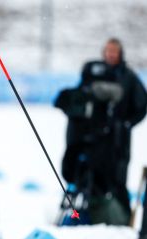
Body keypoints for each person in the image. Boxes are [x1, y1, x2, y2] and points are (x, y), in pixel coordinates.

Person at [55, 38, 147, 226]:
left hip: (118, 140)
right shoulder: (94, 73)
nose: (110, 55)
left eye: (114, 51)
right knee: (87, 175)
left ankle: (121, 218)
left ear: (120, 54)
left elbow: (141, 106)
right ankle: (86, 213)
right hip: (94, 139)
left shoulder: (128, 77)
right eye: (108, 51)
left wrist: (125, 124)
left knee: (117, 179)